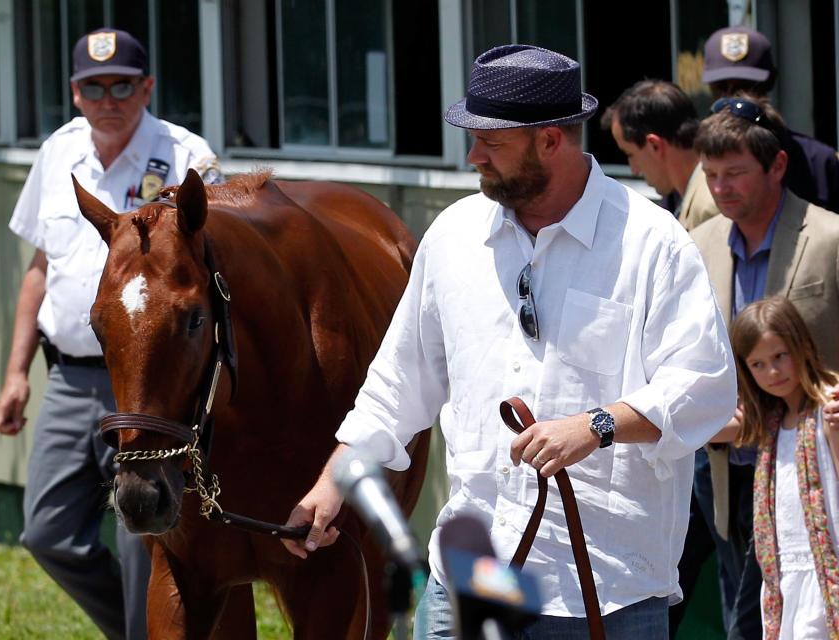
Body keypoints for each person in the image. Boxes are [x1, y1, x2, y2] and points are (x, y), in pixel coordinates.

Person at [282, 44, 737, 639]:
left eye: (491, 143)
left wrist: (595, 425)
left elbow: (703, 387)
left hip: (600, 589)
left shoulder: (653, 244)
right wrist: (330, 483)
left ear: (551, 140)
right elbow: (399, 382)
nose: (473, 157)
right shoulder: (453, 237)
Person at [0, 28, 223, 640]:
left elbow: (211, 268)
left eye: (123, 84)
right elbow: (41, 269)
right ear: (75, 92)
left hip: (154, 387)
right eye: (94, 86)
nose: (108, 97)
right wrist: (16, 374)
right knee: (47, 533)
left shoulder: (186, 154)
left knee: (142, 542)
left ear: (146, 87)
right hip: (69, 376)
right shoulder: (58, 152)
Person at [689, 96, 839, 639]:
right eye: (710, 175)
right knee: (745, 606)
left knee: (814, 601)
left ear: (777, 166)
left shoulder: (828, 238)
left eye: (735, 173)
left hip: (814, 457)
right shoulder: (697, 245)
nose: (721, 188)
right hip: (726, 463)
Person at [728, 297, 839, 639]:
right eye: (757, 364)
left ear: (801, 344)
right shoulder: (770, 422)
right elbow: (701, 427)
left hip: (828, 571)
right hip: (783, 578)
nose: (772, 372)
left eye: (780, 356)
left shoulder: (829, 406)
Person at [701, 25, 839, 213]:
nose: (734, 99)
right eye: (721, 87)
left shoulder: (819, 162)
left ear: (771, 82)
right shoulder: (695, 160)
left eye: (747, 87)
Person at [601, 79, 719, 230]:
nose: (634, 170)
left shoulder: (708, 208)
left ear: (654, 145)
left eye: (630, 154)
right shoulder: (692, 197)